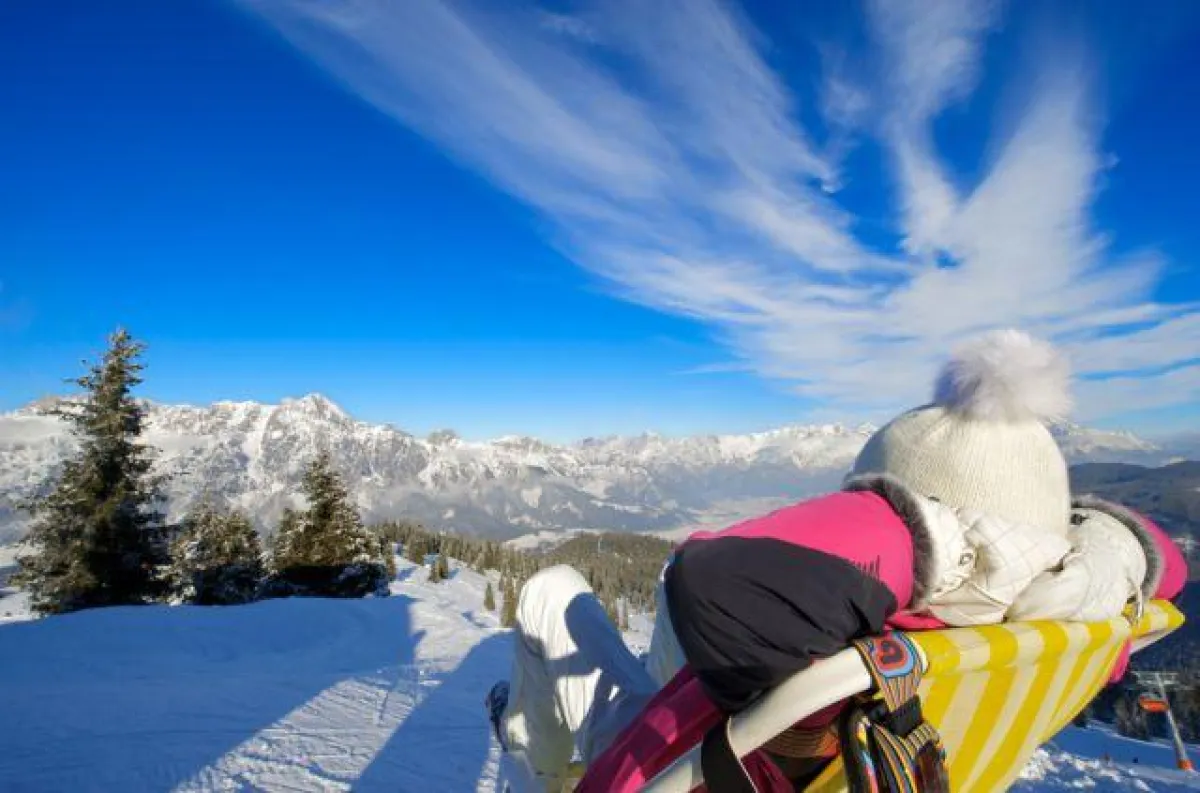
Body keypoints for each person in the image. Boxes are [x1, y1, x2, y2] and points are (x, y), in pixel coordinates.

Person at [485, 329, 1187, 792]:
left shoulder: (868, 639)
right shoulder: (1072, 625)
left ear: (913, 513)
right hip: (829, 749)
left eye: (875, 496)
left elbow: (717, 583)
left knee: (554, 589)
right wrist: (1101, 548)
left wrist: (925, 536)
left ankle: (544, 763)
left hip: (676, 768)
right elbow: (1173, 565)